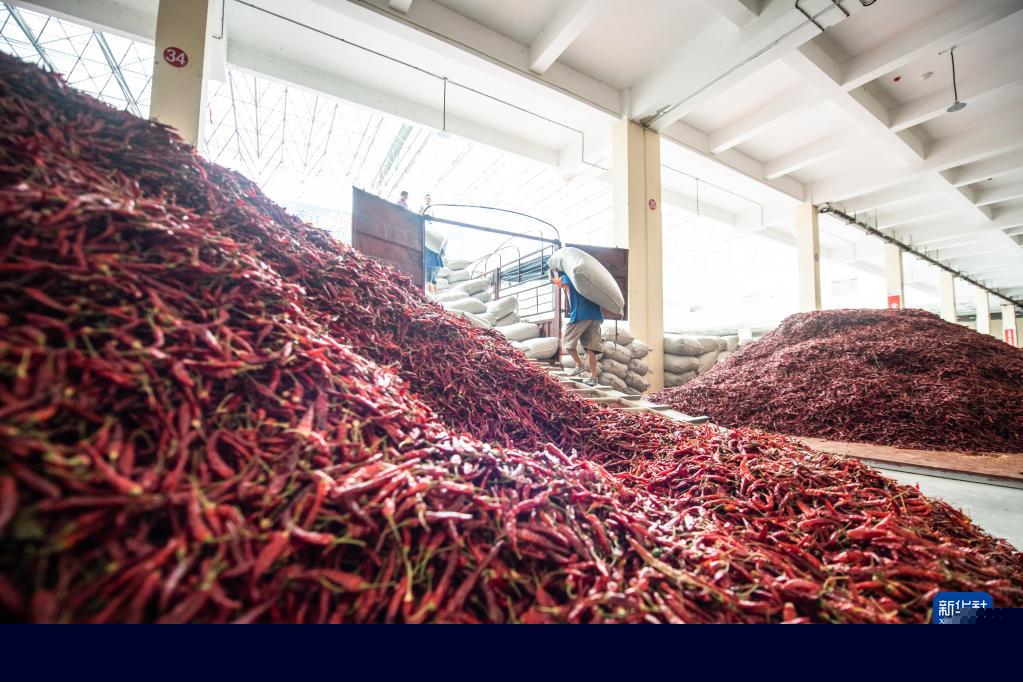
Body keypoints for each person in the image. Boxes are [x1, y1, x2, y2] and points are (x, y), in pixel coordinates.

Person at [552, 268, 603, 386]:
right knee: (591, 348)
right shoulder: (590, 280)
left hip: (580, 314)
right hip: (596, 315)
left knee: (567, 341)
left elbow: (556, 281)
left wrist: (552, 276)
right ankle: (594, 378)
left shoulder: (567, 278)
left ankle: (579, 364)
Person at [424, 225, 446, 295]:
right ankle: (435, 295)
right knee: (433, 280)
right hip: (437, 263)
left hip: (430, 263)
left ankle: (431, 297)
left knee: (428, 281)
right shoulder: (434, 241)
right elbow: (443, 253)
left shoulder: (426, 238)